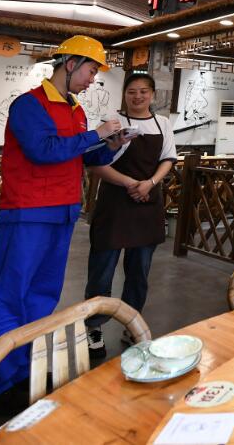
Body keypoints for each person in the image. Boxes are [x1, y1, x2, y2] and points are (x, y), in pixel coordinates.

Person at [0, 35, 125, 405]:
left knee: (42, 297)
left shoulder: (75, 109)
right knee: (11, 296)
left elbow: (80, 157)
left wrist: (109, 146)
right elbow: (43, 151)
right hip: (28, 213)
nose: (92, 79)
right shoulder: (29, 104)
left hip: (62, 212)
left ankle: (23, 371)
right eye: (91, 70)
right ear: (70, 64)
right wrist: (96, 134)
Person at [83, 71, 178, 358]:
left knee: (139, 272)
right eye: (131, 91)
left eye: (143, 91)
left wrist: (150, 183)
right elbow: (95, 164)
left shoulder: (163, 123)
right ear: (124, 94)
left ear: (153, 94)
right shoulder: (111, 122)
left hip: (147, 203)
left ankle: (132, 324)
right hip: (114, 203)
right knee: (102, 269)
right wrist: (130, 184)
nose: (137, 96)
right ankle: (94, 328)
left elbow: (168, 159)